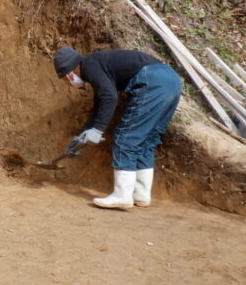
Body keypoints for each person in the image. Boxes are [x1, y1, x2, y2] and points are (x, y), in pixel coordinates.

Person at [53, 46, 181, 210]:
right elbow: (100, 104)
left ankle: (122, 195)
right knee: (145, 140)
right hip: (170, 80)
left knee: (126, 138)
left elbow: (109, 97)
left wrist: (98, 130)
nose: (68, 83)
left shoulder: (90, 66)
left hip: (152, 81)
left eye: (64, 79)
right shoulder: (96, 65)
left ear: (69, 73)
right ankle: (140, 194)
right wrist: (82, 135)